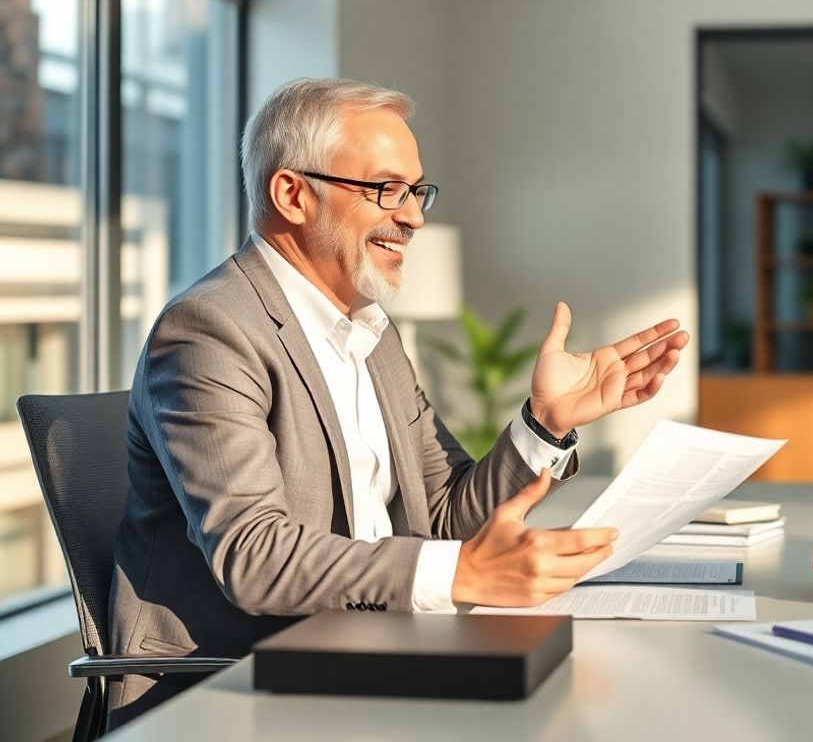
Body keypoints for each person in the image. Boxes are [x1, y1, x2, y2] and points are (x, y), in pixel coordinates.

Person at [108, 77, 689, 726]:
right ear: (293, 194)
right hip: (238, 687)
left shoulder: (372, 332)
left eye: (417, 192)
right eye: (386, 190)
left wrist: (546, 424)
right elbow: (254, 555)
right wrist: (461, 573)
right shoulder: (211, 330)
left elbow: (444, 516)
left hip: (372, 652)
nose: (414, 217)